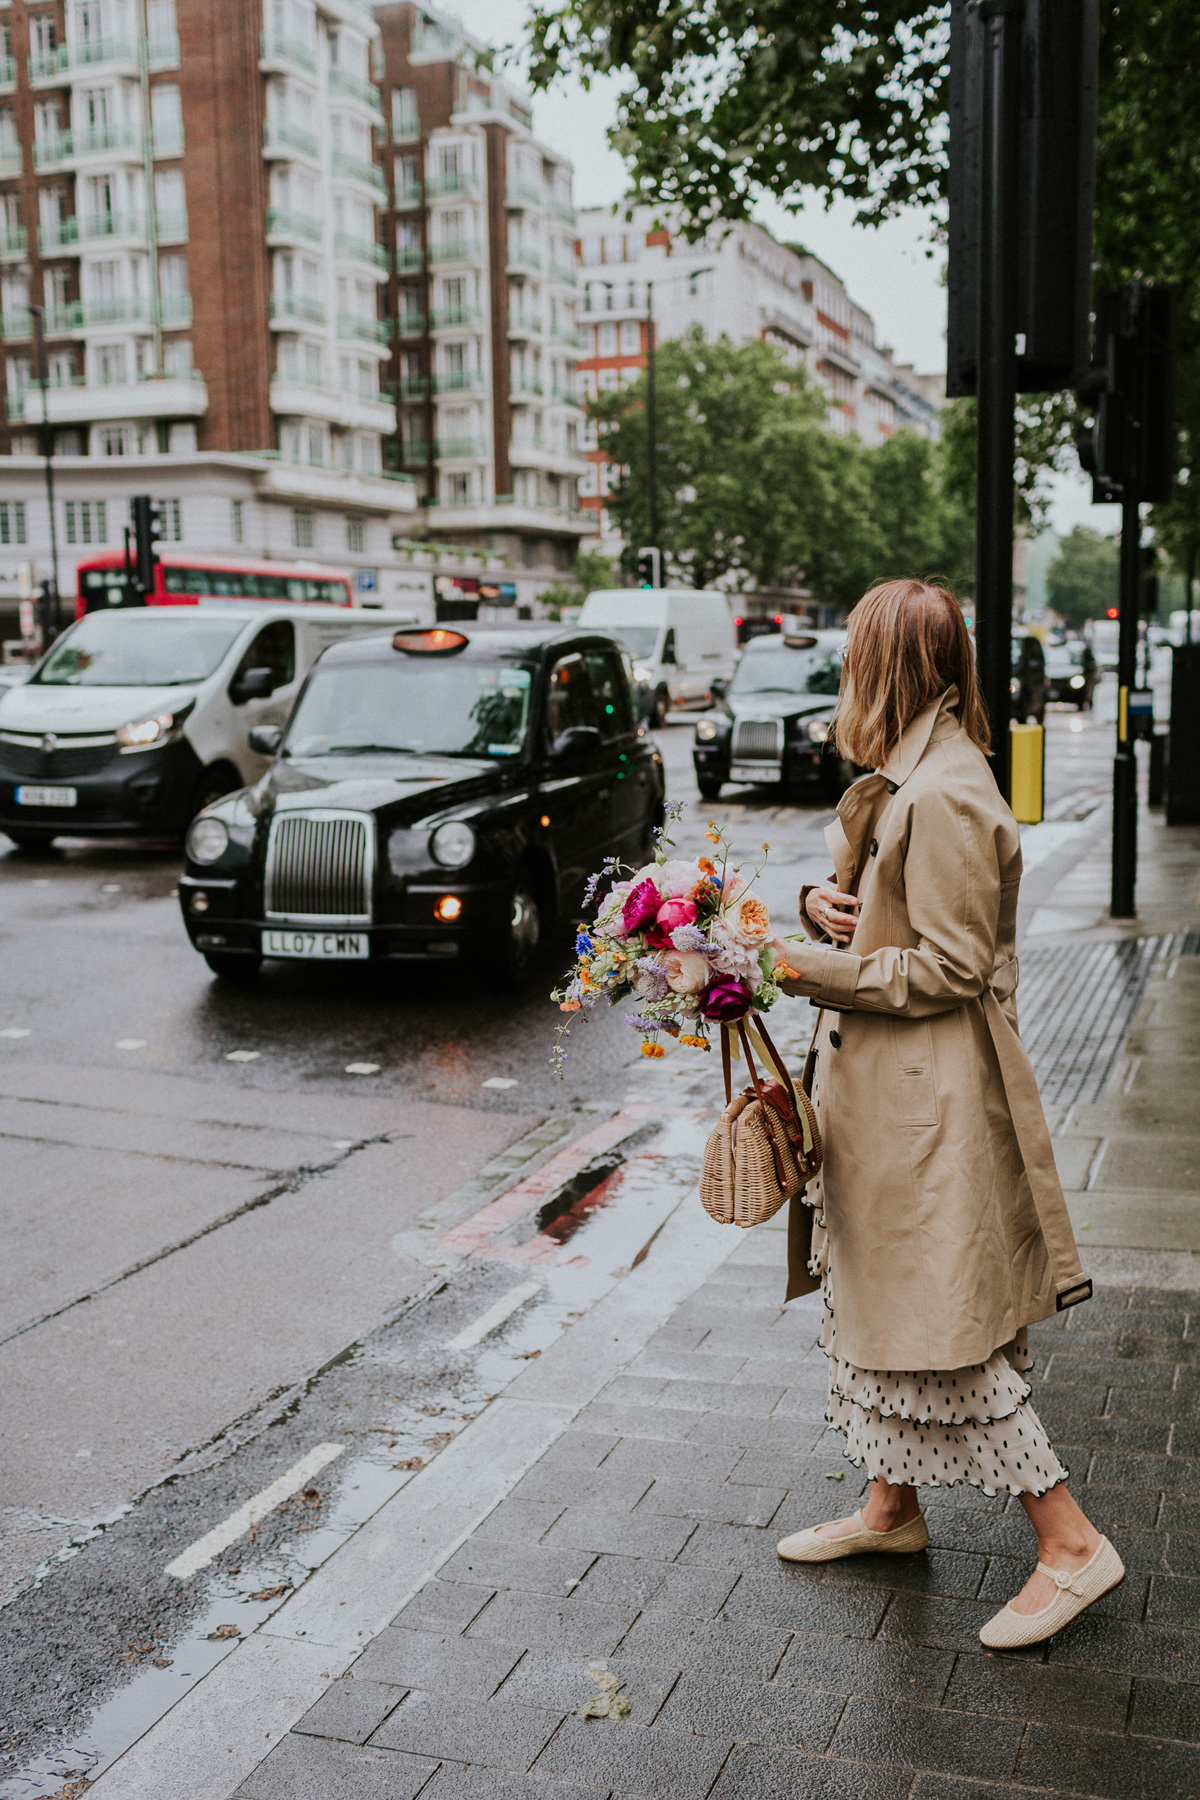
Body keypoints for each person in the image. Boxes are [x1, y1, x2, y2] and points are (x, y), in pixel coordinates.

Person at [774, 578, 1122, 1650]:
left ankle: (1070, 1546)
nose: (844, 676)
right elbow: (892, 912)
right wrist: (819, 908)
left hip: (930, 1112)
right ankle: (892, 1508)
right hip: (890, 1099)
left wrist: (802, 967)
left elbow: (951, 966)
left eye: (853, 658)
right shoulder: (911, 779)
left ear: (887, 668)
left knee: (947, 1339)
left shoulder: (949, 793)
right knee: (877, 1311)